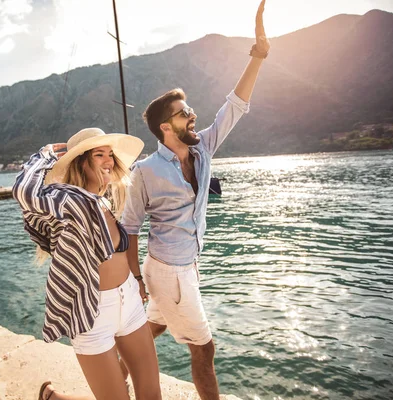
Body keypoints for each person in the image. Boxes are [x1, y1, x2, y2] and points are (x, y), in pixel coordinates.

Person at [119, 1, 271, 399]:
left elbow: (234, 107)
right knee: (204, 349)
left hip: (181, 267)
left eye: (190, 110)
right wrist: (134, 278)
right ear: (166, 127)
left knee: (157, 325)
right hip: (167, 272)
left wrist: (257, 56)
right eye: (185, 112)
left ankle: (116, 373)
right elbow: (129, 228)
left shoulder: (203, 149)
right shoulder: (146, 171)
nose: (193, 115)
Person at [12, 128, 161, 400]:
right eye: (98, 154)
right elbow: (24, 192)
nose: (108, 161)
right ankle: (53, 397)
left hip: (128, 301)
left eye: (110, 155)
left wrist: (137, 281)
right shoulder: (66, 198)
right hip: (92, 313)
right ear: (81, 161)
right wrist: (46, 155)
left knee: (151, 394)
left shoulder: (104, 200)